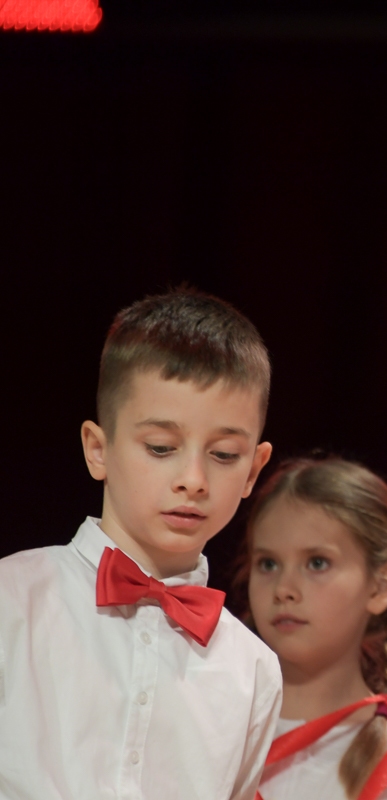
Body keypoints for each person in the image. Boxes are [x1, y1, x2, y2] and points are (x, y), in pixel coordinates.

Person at [0, 288, 280, 800]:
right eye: (161, 447)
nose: (193, 479)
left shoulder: (252, 670)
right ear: (97, 448)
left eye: (223, 454)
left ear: (253, 470)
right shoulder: (13, 599)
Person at [242, 456, 387, 800]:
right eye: (268, 564)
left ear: (380, 586)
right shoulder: (210, 726)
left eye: (317, 563)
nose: (284, 589)